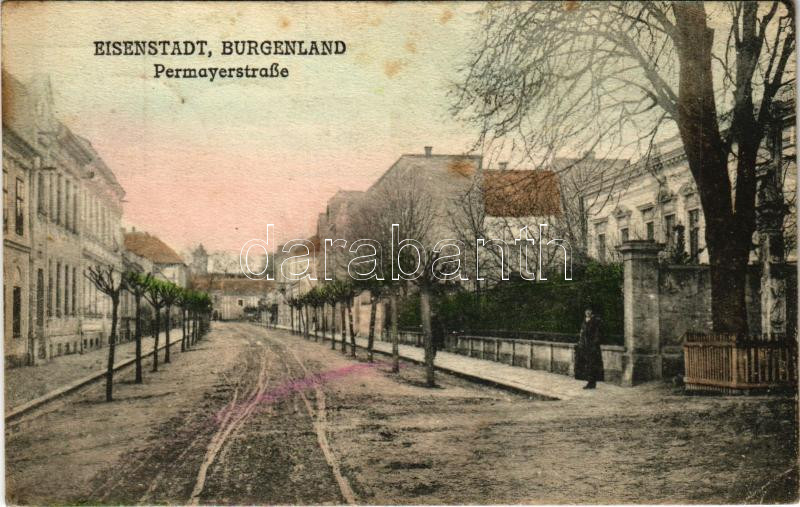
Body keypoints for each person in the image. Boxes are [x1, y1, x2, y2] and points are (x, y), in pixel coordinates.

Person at [575, 308, 604, 389]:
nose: (587, 312)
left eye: (589, 310)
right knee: (587, 365)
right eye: (586, 311)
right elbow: (582, 333)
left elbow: (598, 334)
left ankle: (592, 382)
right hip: (585, 346)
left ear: (592, 312)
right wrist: (580, 343)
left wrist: (594, 344)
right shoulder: (584, 321)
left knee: (592, 364)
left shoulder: (596, 321)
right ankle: (590, 382)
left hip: (592, 347)